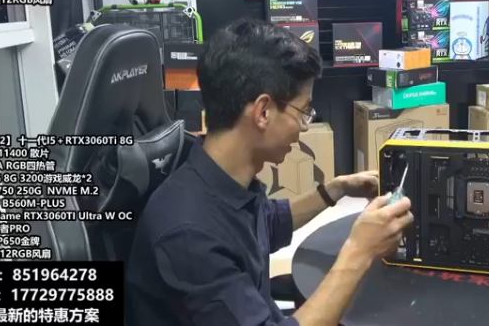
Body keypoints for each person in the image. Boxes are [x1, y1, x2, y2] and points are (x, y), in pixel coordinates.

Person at [126, 19, 414, 326]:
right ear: (263, 112)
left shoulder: (220, 179)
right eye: (304, 111)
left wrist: (336, 188)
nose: (305, 127)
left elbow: (268, 223)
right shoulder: (189, 235)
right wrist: (359, 252)